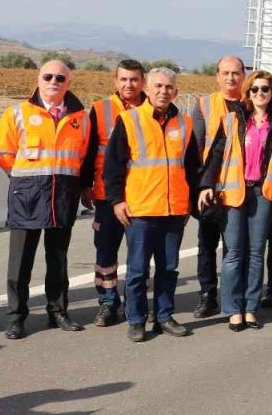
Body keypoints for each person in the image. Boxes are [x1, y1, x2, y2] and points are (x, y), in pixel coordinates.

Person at [0, 60, 96, 339]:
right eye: (48, 76)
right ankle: (16, 317)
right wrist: (22, 179)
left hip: (62, 195)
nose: (54, 81)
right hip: (27, 195)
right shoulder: (18, 113)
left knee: (58, 259)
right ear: (38, 80)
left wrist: (80, 187)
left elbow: (84, 156)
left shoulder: (81, 118)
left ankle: (58, 312)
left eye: (60, 78)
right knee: (20, 261)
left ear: (68, 84)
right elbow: (3, 151)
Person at [103, 68, 202, 342]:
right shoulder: (130, 120)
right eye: (158, 86)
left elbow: (192, 168)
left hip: (173, 211)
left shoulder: (184, 124)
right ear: (146, 89)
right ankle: (136, 319)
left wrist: (189, 204)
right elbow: (113, 167)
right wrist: (116, 201)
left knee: (168, 269)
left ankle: (164, 316)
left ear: (176, 92)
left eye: (169, 87)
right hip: (140, 210)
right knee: (137, 270)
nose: (163, 91)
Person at [198, 69, 272, 332]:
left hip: (263, 194)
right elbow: (216, 154)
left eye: (265, 89)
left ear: (271, 93)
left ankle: (250, 308)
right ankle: (232, 309)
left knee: (255, 254)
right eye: (255, 89)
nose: (260, 93)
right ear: (248, 92)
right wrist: (206, 184)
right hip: (234, 193)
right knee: (233, 254)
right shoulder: (232, 119)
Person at [84, 59, 146, 327]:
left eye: (133, 79)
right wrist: (85, 185)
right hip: (106, 195)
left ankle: (135, 302)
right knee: (106, 251)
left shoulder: (152, 107)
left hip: (142, 196)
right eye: (123, 79)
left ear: (142, 81)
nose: (128, 84)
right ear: (115, 81)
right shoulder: (100, 109)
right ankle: (108, 302)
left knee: (139, 253)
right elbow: (87, 152)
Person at [190, 55, 246, 319]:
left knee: (235, 246)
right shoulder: (205, 105)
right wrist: (202, 185)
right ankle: (207, 295)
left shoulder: (251, 103)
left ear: (243, 75)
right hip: (211, 186)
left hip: (240, 187)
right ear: (217, 75)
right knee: (207, 244)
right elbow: (197, 147)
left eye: (235, 73)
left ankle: (234, 295)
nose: (230, 78)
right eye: (225, 73)